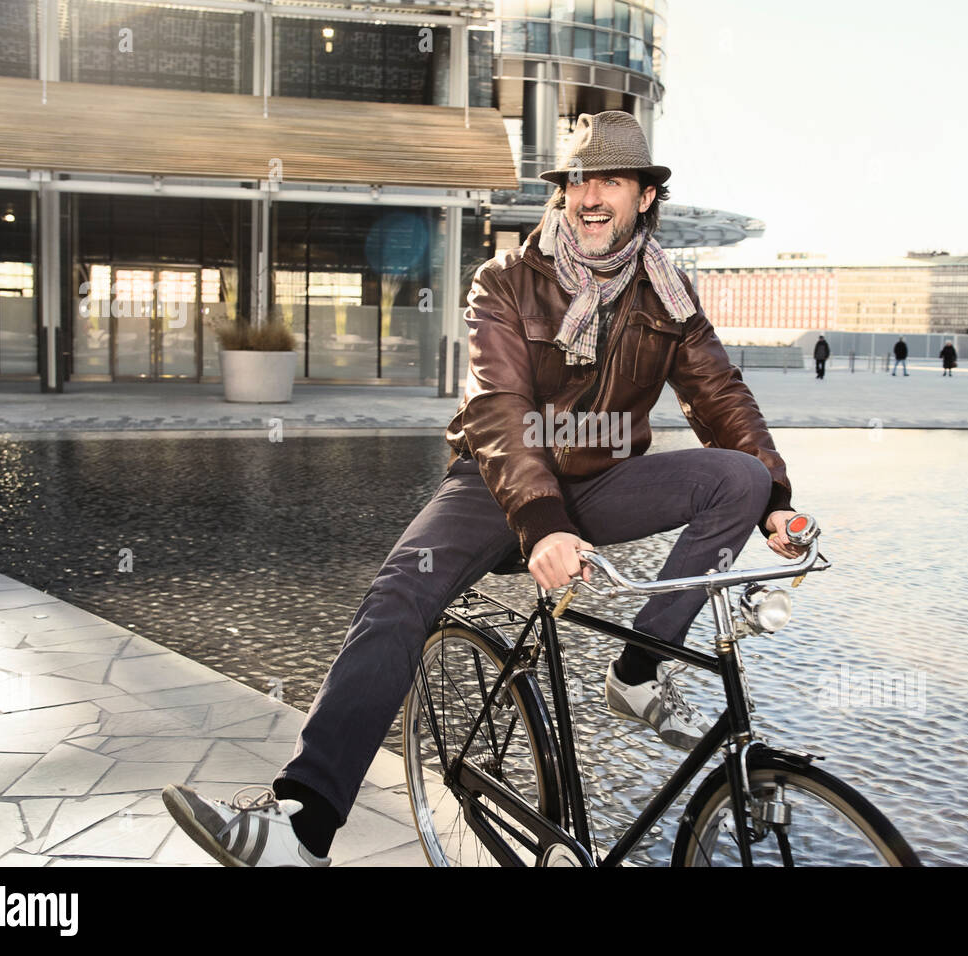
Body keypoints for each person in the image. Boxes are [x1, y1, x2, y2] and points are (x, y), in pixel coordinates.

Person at [161, 110, 808, 867]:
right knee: (402, 590)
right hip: (498, 482)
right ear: (563, 192)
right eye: (577, 180)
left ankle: (637, 674)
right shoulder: (506, 281)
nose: (591, 196)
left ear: (643, 196)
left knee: (738, 477)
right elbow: (499, 410)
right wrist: (540, 521)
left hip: (602, 481)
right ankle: (303, 822)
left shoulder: (667, 293)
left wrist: (777, 502)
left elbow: (719, 394)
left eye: (610, 180)